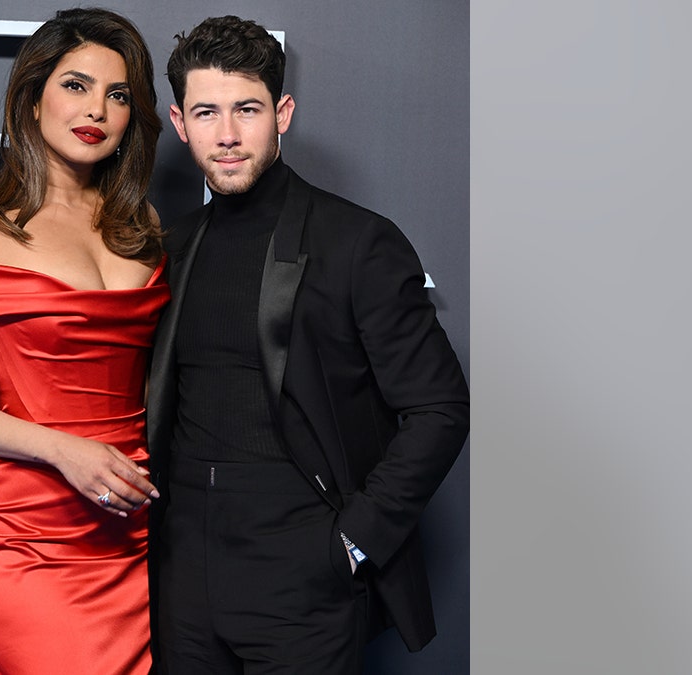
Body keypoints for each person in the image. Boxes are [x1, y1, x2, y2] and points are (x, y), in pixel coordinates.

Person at [145, 15, 471, 674]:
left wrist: (353, 543)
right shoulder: (169, 249)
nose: (228, 134)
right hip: (181, 572)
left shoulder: (358, 243)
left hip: (303, 571)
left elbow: (440, 407)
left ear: (282, 113)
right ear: (180, 124)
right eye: (207, 112)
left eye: (248, 109)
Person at [0, 8, 165, 674]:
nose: (97, 110)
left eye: (117, 95)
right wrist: (65, 450)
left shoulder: (143, 224)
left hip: (142, 523)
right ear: (31, 97)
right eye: (76, 85)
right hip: (30, 530)